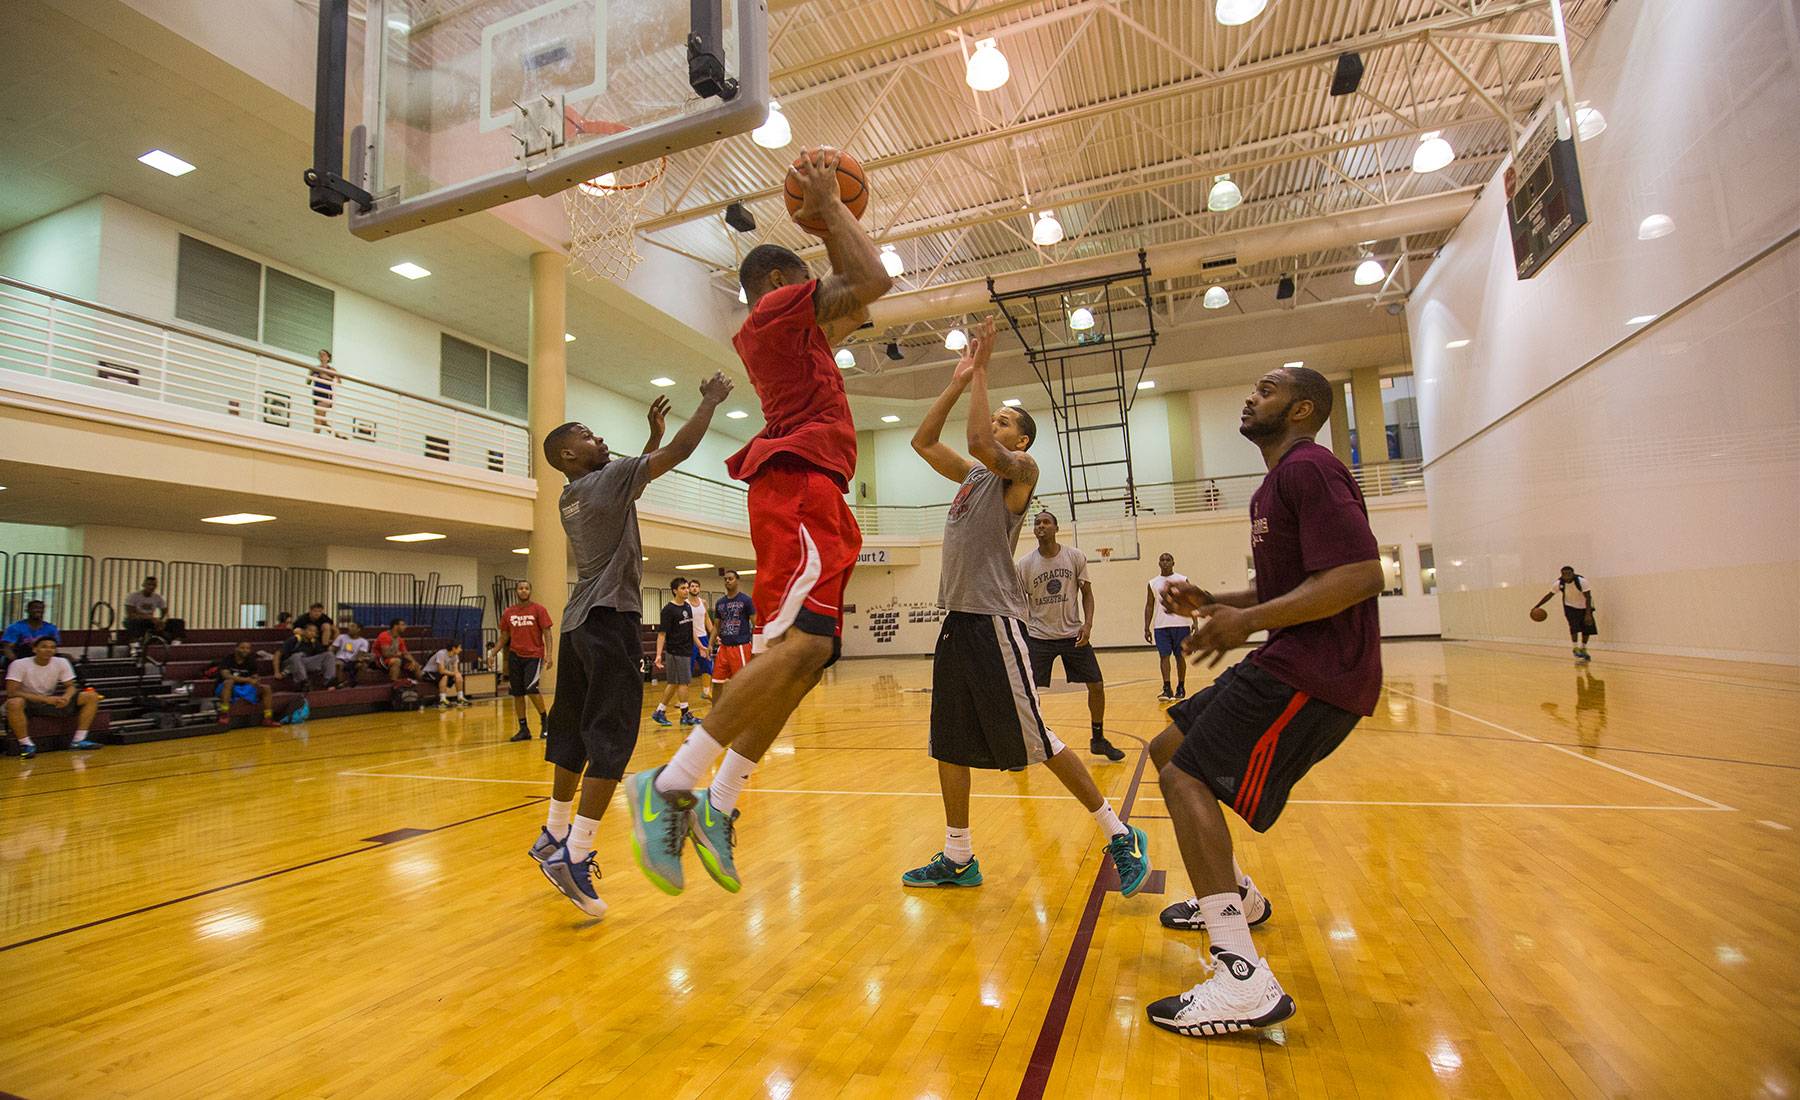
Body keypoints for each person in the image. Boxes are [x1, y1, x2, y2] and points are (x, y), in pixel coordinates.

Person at [625, 145, 895, 898]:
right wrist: (831, 207)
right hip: (798, 487)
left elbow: (861, 301)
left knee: (810, 661)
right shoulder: (777, 309)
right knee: (796, 649)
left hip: (817, 493)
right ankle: (670, 785)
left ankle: (718, 803)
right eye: (807, 279)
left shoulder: (794, 331)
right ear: (779, 283)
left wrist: (824, 219)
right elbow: (870, 280)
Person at [1142, 365, 1384, 1038]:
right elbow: (1299, 585)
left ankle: (1240, 976)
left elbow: (1362, 574)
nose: (1252, 396)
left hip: (1318, 670)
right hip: (1290, 656)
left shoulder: (1310, 470)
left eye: (1269, 389)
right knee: (1169, 747)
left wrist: (1247, 624)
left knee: (1184, 773)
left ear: (1303, 409)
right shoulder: (1273, 487)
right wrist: (1227, 603)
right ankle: (1238, 897)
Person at [897, 319, 1149, 892]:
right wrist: (960, 379)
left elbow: (980, 442)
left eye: (1006, 421)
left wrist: (983, 370)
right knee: (948, 741)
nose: (994, 423)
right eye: (997, 415)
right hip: (957, 624)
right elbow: (923, 441)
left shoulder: (1021, 474)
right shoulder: (970, 479)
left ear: (1023, 441)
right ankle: (958, 857)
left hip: (993, 623)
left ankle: (1118, 833)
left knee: (1037, 738)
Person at [531, 378, 732, 918]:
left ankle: (553, 833)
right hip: (609, 621)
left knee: (572, 730)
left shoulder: (570, 495)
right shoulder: (607, 481)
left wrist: (648, 441)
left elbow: (627, 483)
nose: (602, 442)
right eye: (592, 436)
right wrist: (709, 400)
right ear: (570, 453)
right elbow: (682, 452)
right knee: (613, 738)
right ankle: (576, 854)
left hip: (577, 625)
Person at [1017, 511, 1124, 762]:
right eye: (1037, 523)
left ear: (1056, 527)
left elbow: (1087, 593)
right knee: (1025, 692)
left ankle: (1098, 739)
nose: (1041, 526)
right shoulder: (1025, 564)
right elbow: (1019, 602)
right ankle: (1027, 745)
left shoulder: (1074, 557)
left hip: (1072, 634)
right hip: (1039, 637)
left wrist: (1087, 624)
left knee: (1096, 685)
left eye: (1046, 522)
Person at [5, 637, 102, 758]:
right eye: (44, 647)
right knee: (14, 702)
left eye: (52, 647)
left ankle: (78, 740)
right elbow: (11, 692)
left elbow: (71, 686)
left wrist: (66, 697)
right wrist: (45, 699)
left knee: (91, 696)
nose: (48, 650)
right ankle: (25, 744)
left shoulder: (61, 662)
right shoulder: (19, 664)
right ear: (35, 649)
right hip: (28, 702)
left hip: (49, 700)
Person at [494, 580, 555, 743]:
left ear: (530, 591)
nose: (523, 591)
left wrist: (549, 655)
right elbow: (504, 636)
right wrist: (493, 652)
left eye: (526, 588)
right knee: (518, 693)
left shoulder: (538, 610)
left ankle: (545, 721)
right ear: (516, 591)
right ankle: (523, 728)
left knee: (531, 687)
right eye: (520, 588)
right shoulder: (509, 612)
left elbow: (547, 633)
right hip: (515, 656)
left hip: (534, 655)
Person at [1145, 554, 1193, 701]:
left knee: (1180, 656)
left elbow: (1191, 601)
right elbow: (1149, 605)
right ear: (1158, 563)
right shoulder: (1153, 583)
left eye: (1168, 560)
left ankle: (1181, 686)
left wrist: (1195, 622)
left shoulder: (1182, 579)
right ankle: (1167, 688)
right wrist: (1146, 627)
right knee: (1164, 656)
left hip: (1181, 624)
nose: (1165, 562)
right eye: (1162, 560)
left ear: (1173, 562)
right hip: (1161, 626)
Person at [652, 578, 698, 727]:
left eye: (687, 588)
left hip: (686, 649)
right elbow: (661, 634)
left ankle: (660, 711)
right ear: (675, 591)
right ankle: (685, 714)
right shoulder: (668, 610)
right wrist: (658, 655)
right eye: (683, 588)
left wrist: (700, 646)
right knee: (683, 682)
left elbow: (691, 630)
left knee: (673, 683)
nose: (686, 590)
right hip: (675, 651)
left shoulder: (688, 607)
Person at [708, 570, 756, 706]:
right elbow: (717, 626)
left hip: (740, 647)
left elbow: (755, 622)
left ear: (737, 580)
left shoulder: (746, 600)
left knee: (743, 682)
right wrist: (710, 644)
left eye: (730, 579)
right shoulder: (720, 603)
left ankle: (747, 709)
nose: (727, 581)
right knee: (717, 682)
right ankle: (715, 712)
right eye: (725, 579)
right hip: (724, 648)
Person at [1533, 566, 1597, 660]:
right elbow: (1549, 595)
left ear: (1573, 573)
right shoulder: (1559, 583)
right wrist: (1537, 606)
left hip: (1585, 607)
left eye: (1569, 574)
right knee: (1574, 627)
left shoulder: (1582, 581)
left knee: (1587, 628)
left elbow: (1588, 597)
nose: (1567, 576)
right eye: (1564, 574)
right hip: (1570, 606)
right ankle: (1575, 648)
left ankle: (1583, 648)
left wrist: (1588, 614)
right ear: (1561, 575)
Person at [216, 640, 278, 727]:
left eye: (248, 648)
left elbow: (255, 676)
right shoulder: (228, 659)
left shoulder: (251, 661)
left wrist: (256, 680)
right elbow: (226, 675)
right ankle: (224, 714)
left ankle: (268, 718)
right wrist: (247, 680)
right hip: (226, 688)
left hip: (243, 688)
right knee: (229, 682)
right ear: (236, 648)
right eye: (242, 648)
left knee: (266, 688)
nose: (245, 650)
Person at [122, 576, 184, 645]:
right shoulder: (133, 596)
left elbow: (165, 612)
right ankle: (135, 644)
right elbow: (131, 615)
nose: (151, 587)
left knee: (178, 622)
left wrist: (162, 621)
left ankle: (176, 643)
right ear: (143, 585)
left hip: (150, 621)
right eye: (149, 585)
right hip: (136, 620)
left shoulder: (157, 597)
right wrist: (151, 618)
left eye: (154, 585)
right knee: (134, 623)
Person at [281, 624, 338, 691]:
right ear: (303, 631)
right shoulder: (294, 639)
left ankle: (329, 681)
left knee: (329, 655)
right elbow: (278, 654)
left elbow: (322, 654)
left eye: (314, 632)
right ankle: (303, 682)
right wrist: (277, 672)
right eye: (310, 630)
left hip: (303, 664)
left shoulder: (314, 642)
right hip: (290, 663)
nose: (312, 633)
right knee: (298, 655)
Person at [687, 580, 714, 700]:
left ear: (699, 589)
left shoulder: (703, 602)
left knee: (707, 665)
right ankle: (682, 698)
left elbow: (707, 620)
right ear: (688, 589)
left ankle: (706, 691)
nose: (694, 588)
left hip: (703, 637)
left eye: (696, 586)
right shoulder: (685, 603)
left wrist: (714, 634)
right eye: (692, 586)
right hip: (690, 639)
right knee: (688, 668)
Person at [422, 642, 471, 708]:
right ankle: (442, 700)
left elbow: (455, 671)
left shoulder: (455, 656)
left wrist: (457, 675)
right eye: (459, 647)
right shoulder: (441, 653)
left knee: (459, 676)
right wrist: (454, 673)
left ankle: (460, 698)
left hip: (438, 673)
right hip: (428, 672)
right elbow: (441, 670)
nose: (461, 649)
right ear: (453, 648)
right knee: (444, 676)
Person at [310, 348, 342, 437]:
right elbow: (308, 382)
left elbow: (339, 382)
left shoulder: (331, 370)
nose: (321, 356)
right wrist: (313, 376)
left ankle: (313, 439)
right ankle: (337, 436)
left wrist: (326, 377)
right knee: (322, 421)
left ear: (328, 358)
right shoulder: (315, 368)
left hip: (326, 394)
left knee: (317, 420)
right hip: (316, 394)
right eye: (320, 354)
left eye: (323, 354)